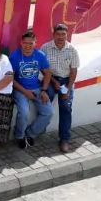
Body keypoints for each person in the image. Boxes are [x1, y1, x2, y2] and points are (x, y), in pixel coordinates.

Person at [40, 23, 81, 153]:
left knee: (66, 107)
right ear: (53, 35)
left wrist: (67, 89)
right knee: (45, 101)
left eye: (63, 34)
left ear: (67, 35)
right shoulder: (45, 48)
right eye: (58, 34)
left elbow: (73, 71)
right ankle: (40, 129)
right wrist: (53, 81)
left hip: (66, 81)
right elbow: (42, 68)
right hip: (50, 79)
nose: (61, 37)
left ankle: (64, 139)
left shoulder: (72, 50)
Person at [9, 31, 54, 149]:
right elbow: (10, 79)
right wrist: (25, 92)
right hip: (20, 89)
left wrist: (44, 90)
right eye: (25, 43)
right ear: (21, 43)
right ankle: (19, 135)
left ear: (35, 43)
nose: (28, 46)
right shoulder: (15, 56)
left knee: (49, 112)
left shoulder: (40, 55)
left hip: (38, 88)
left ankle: (30, 134)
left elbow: (48, 73)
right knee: (24, 113)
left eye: (31, 43)